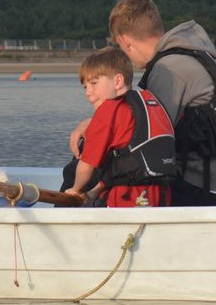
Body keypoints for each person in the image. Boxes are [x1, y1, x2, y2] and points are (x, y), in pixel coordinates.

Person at [107, 0, 216, 206]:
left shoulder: (168, 68)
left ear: (125, 41)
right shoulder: (188, 54)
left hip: (199, 184)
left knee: (113, 176)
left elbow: (146, 135)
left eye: (121, 47)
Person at [64, 47, 176, 208]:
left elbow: (87, 165)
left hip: (128, 198)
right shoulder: (148, 102)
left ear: (117, 81)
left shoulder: (107, 111)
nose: (88, 92)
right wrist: (96, 190)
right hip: (161, 194)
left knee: (71, 173)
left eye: (94, 83)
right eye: (85, 87)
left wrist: (75, 189)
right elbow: (124, 164)